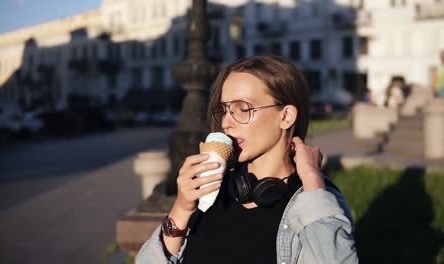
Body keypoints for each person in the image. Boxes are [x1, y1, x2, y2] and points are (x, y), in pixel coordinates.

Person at [136, 55, 358, 264]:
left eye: (243, 109)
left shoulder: (313, 201)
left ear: (286, 116)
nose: (226, 123)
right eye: (224, 110)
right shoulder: (212, 190)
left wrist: (311, 177)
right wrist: (182, 209)